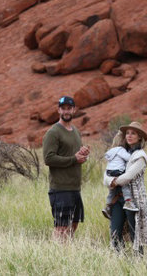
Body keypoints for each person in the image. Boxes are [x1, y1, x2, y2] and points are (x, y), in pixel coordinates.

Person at [43, 96, 90, 241]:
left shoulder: (75, 131)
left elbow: (74, 155)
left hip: (75, 187)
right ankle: (54, 258)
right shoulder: (53, 132)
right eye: (63, 108)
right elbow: (48, 158)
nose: (66, 111)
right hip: (60, 188)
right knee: (61, 227)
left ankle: (66, 256)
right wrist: (73, 159)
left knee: (73, 225)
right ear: (59, 110)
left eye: (69, 108)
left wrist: (82, 155)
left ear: (74, 109)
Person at [103, 122, 147, 252]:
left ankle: (138, 265)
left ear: (139, 137)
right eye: (127, 133)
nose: (129, 136)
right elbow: (106, 174)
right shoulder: (119, 152)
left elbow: (129, 176)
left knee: (135, 234)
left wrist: (113, 181)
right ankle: (120, 262)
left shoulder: (141, 156)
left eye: (133, 133)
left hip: (134, 199)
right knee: (115, 233)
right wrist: (110, 180)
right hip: (117, 198)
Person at [102, 142, 138, 219]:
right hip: (118, 171)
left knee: (112, 190)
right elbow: (129, 158)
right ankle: (128, 201)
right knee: (125, 185)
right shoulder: (121, 150)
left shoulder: (111, 151)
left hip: (109, 172)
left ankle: (108, 206)